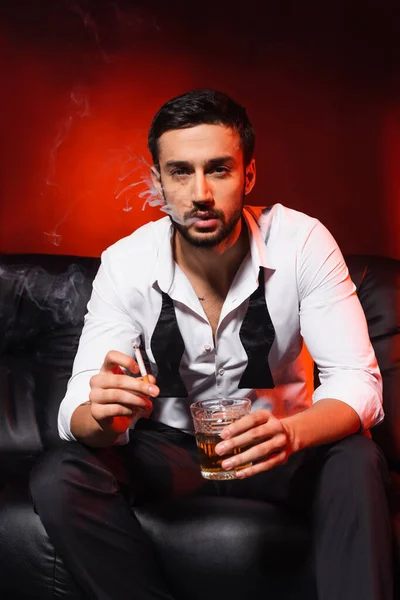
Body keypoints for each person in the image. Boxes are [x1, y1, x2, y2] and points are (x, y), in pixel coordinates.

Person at [30, 88, 393, 600]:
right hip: (171, 451)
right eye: (180, 172)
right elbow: (77, 411)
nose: (200, 192)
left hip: (280, 441)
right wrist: (104, 412)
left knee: (357, 460)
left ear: (247, 175)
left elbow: (359, 382)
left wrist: (290, 434)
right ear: (158, 181)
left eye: (218, 170)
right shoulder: (126, 263)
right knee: (59, 474)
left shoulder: (303, 242)